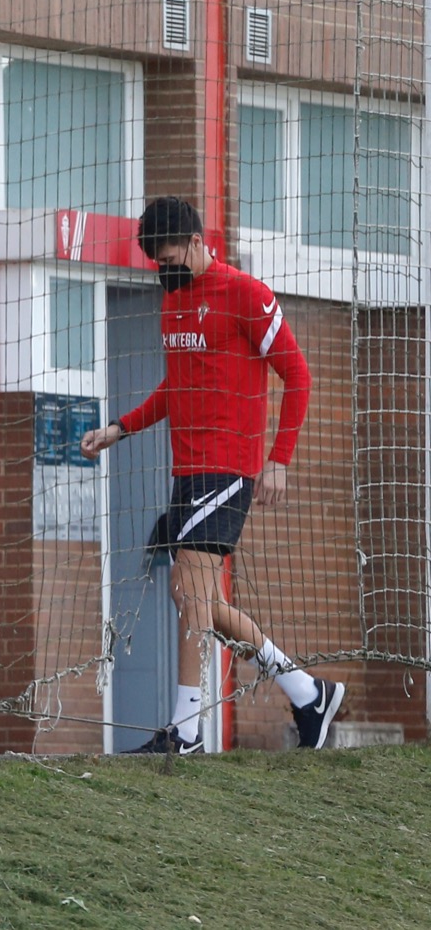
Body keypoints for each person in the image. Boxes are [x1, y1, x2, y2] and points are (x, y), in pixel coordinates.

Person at [81, 196, 343, 753]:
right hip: (188, 470)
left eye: (171, 257)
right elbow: (176, 388)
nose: (165, 270)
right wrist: (118, 429)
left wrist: (280, 460)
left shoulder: (245, 294)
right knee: (192, 598)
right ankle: (307, 691)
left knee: (193, 595)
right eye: (157, 262)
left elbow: (297, 375)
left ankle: (187, 733)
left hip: (229, 468)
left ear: (198, 243)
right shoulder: (172, 303)